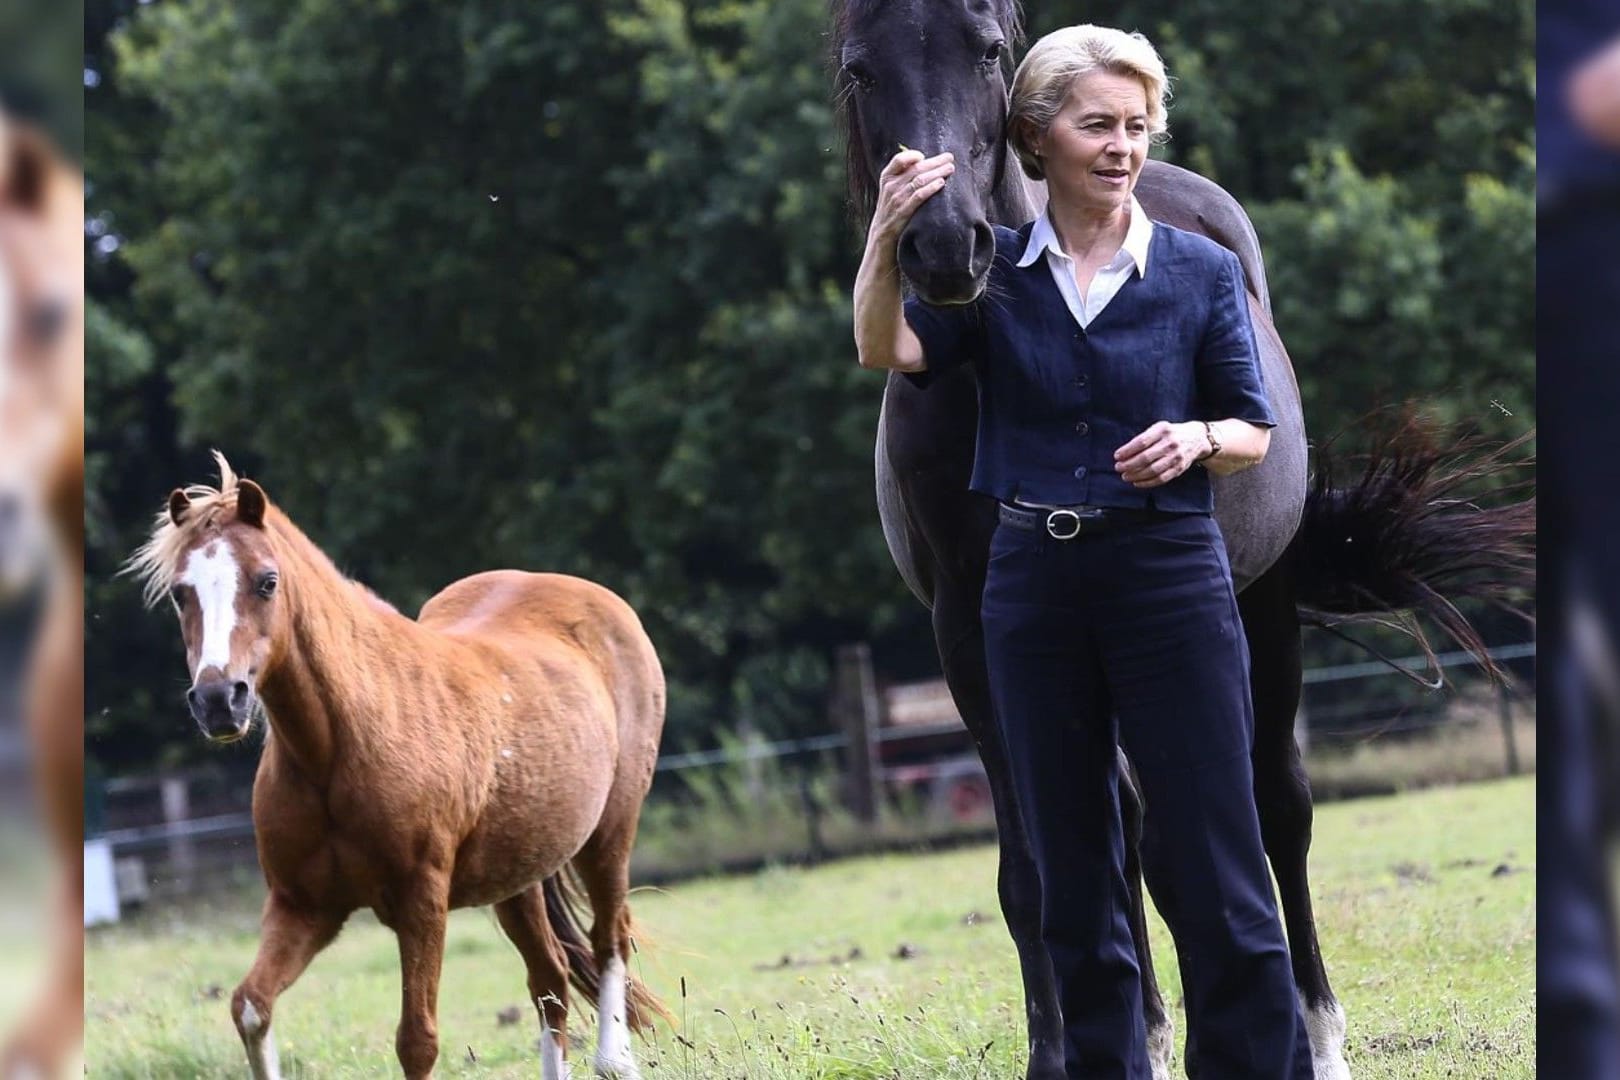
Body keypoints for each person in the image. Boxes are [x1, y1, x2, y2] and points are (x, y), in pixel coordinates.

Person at [852, 24, 1313, 1080]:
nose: (1120, 147)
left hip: (1168, 576)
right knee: (1070, 872)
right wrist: (884, 239)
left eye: (1135, 127)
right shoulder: (1001, 275)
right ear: (1031, 139)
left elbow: (1254, 427)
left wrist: (1199, 438)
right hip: (1034, 589)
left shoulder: (1198, 268)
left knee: (1216, 862)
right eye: (1096, 125)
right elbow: (887, 348)